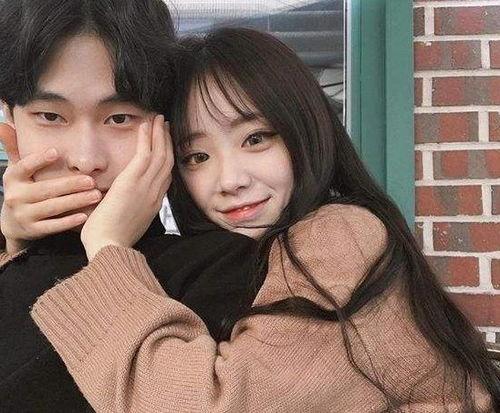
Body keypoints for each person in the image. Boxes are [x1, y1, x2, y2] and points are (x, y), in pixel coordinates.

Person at [27, 28, 499, 412]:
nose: (230, 180)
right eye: (196, 157)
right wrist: (16, 240)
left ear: (304, 130)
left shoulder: (341, 234)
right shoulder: (243, 254)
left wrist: (108, 247)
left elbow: (209, 406)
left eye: (255, 139)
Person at [0, 3, 257, 412]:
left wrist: (106, 248)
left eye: (119, 118)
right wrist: (15, 248)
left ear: (165, 127)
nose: (86, 159)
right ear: (10, 125)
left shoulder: (228, 269)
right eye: (50, 116)